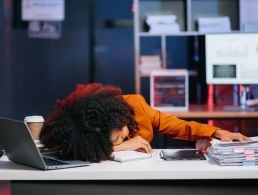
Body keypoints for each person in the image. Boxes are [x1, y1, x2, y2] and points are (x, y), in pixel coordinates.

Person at [40, 83, 250, 162]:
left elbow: (177, 125)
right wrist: (121, 146)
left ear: (120, 116)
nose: (124, 136)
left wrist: (216, 132)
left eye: (121, 134)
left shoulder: (135, 105)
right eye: (113, 140)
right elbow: (71, 151)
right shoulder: (82, 130)